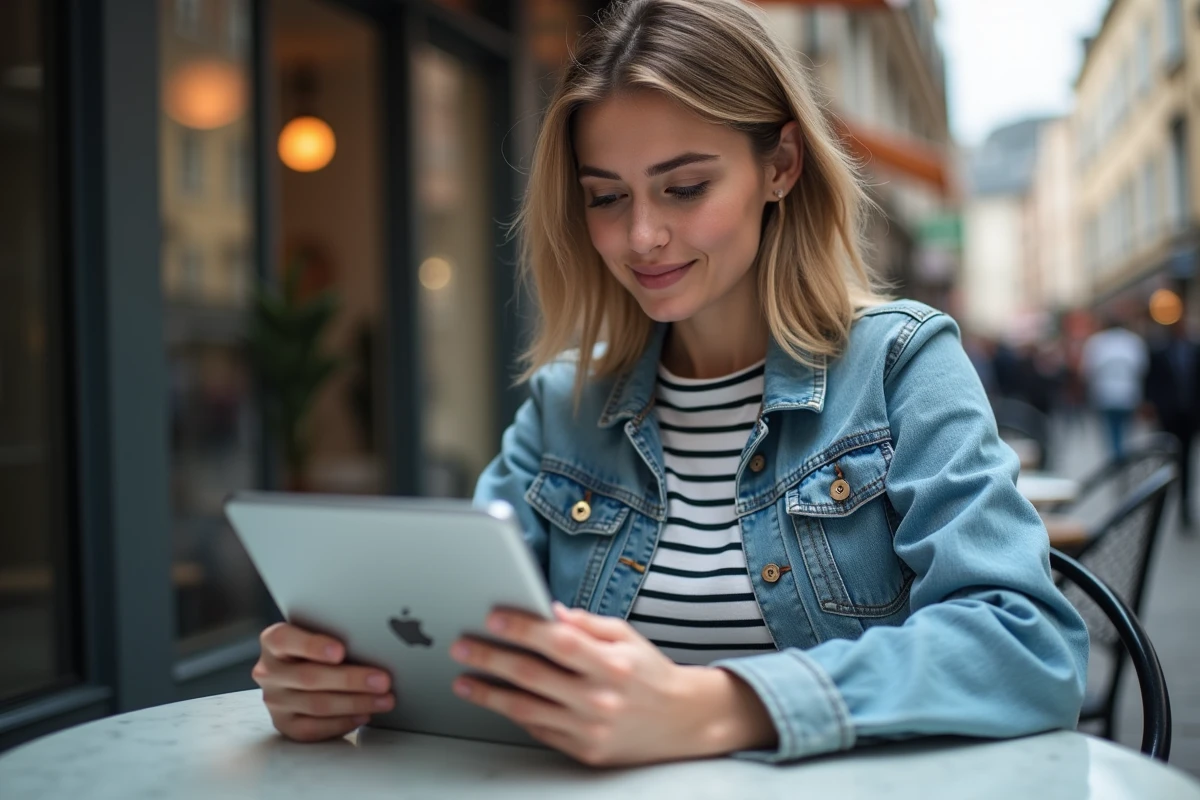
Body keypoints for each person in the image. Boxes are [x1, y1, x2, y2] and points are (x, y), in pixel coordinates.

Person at [251, 0, 1087, 766]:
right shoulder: (565, 403)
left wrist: (716, 705)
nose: (643, 235)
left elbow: (1029, 648)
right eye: (606, 197)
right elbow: (464, 633)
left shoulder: (900, 365)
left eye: (685, 188)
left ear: (782, 165)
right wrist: (347, 681)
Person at [1145, 315, 1200, 529]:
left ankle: (1185, 505)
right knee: (1169, 458)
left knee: (1187, 459)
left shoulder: (1195, 350)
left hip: (1190, 415)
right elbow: (1151, 381)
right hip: (1168, 415)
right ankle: (1166, 500)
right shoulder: (1159, 352)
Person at [1081, 312, 1149, 462]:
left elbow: (1087, 371)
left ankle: (1117, 461)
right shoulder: (1133, 341)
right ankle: (1123, 461)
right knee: (1127, 434)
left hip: (1105, 395)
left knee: (1112, 435)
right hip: (1128, 395)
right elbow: (1142, 369)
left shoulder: (1097, 342)